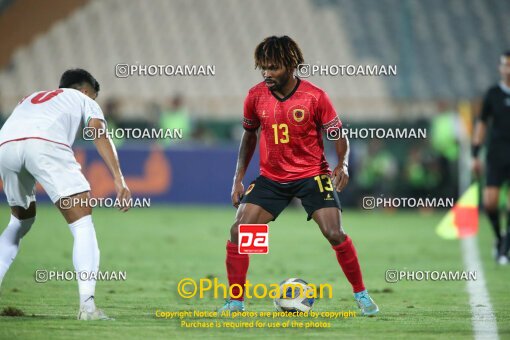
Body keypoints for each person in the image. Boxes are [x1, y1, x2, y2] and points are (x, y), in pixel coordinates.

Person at [218, 36, 379, 316]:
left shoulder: (315, 96)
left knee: (334, 233)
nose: (267, 74)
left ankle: (362, 296)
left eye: (273, 68)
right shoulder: (255, 96)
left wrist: (343, 163)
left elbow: (337, 134)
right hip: (272, 178)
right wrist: (238, 178)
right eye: (263, 68)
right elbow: (249, 135)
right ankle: (236, 303)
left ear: (291, 65)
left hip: (312, 176)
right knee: (240, 232)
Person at [0, 69, 131, 319]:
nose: (93, 102)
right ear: (84, 91)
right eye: (93, 97)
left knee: (19, 222)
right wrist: (118, 177)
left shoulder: (31, 97)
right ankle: (88, 307)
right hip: (45, 143)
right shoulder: (82, 99)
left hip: (5, 146)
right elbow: (97, 131)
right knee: (82, 222)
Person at [472, 51, 510, 265]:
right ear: (500, 68)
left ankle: (505, 251)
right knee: (490, 203)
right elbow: (482, 123)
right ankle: (499, 238)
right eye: (505, 65)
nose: (508, 70)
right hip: (496, 153)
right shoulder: (493, 94)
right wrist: (475, 154)